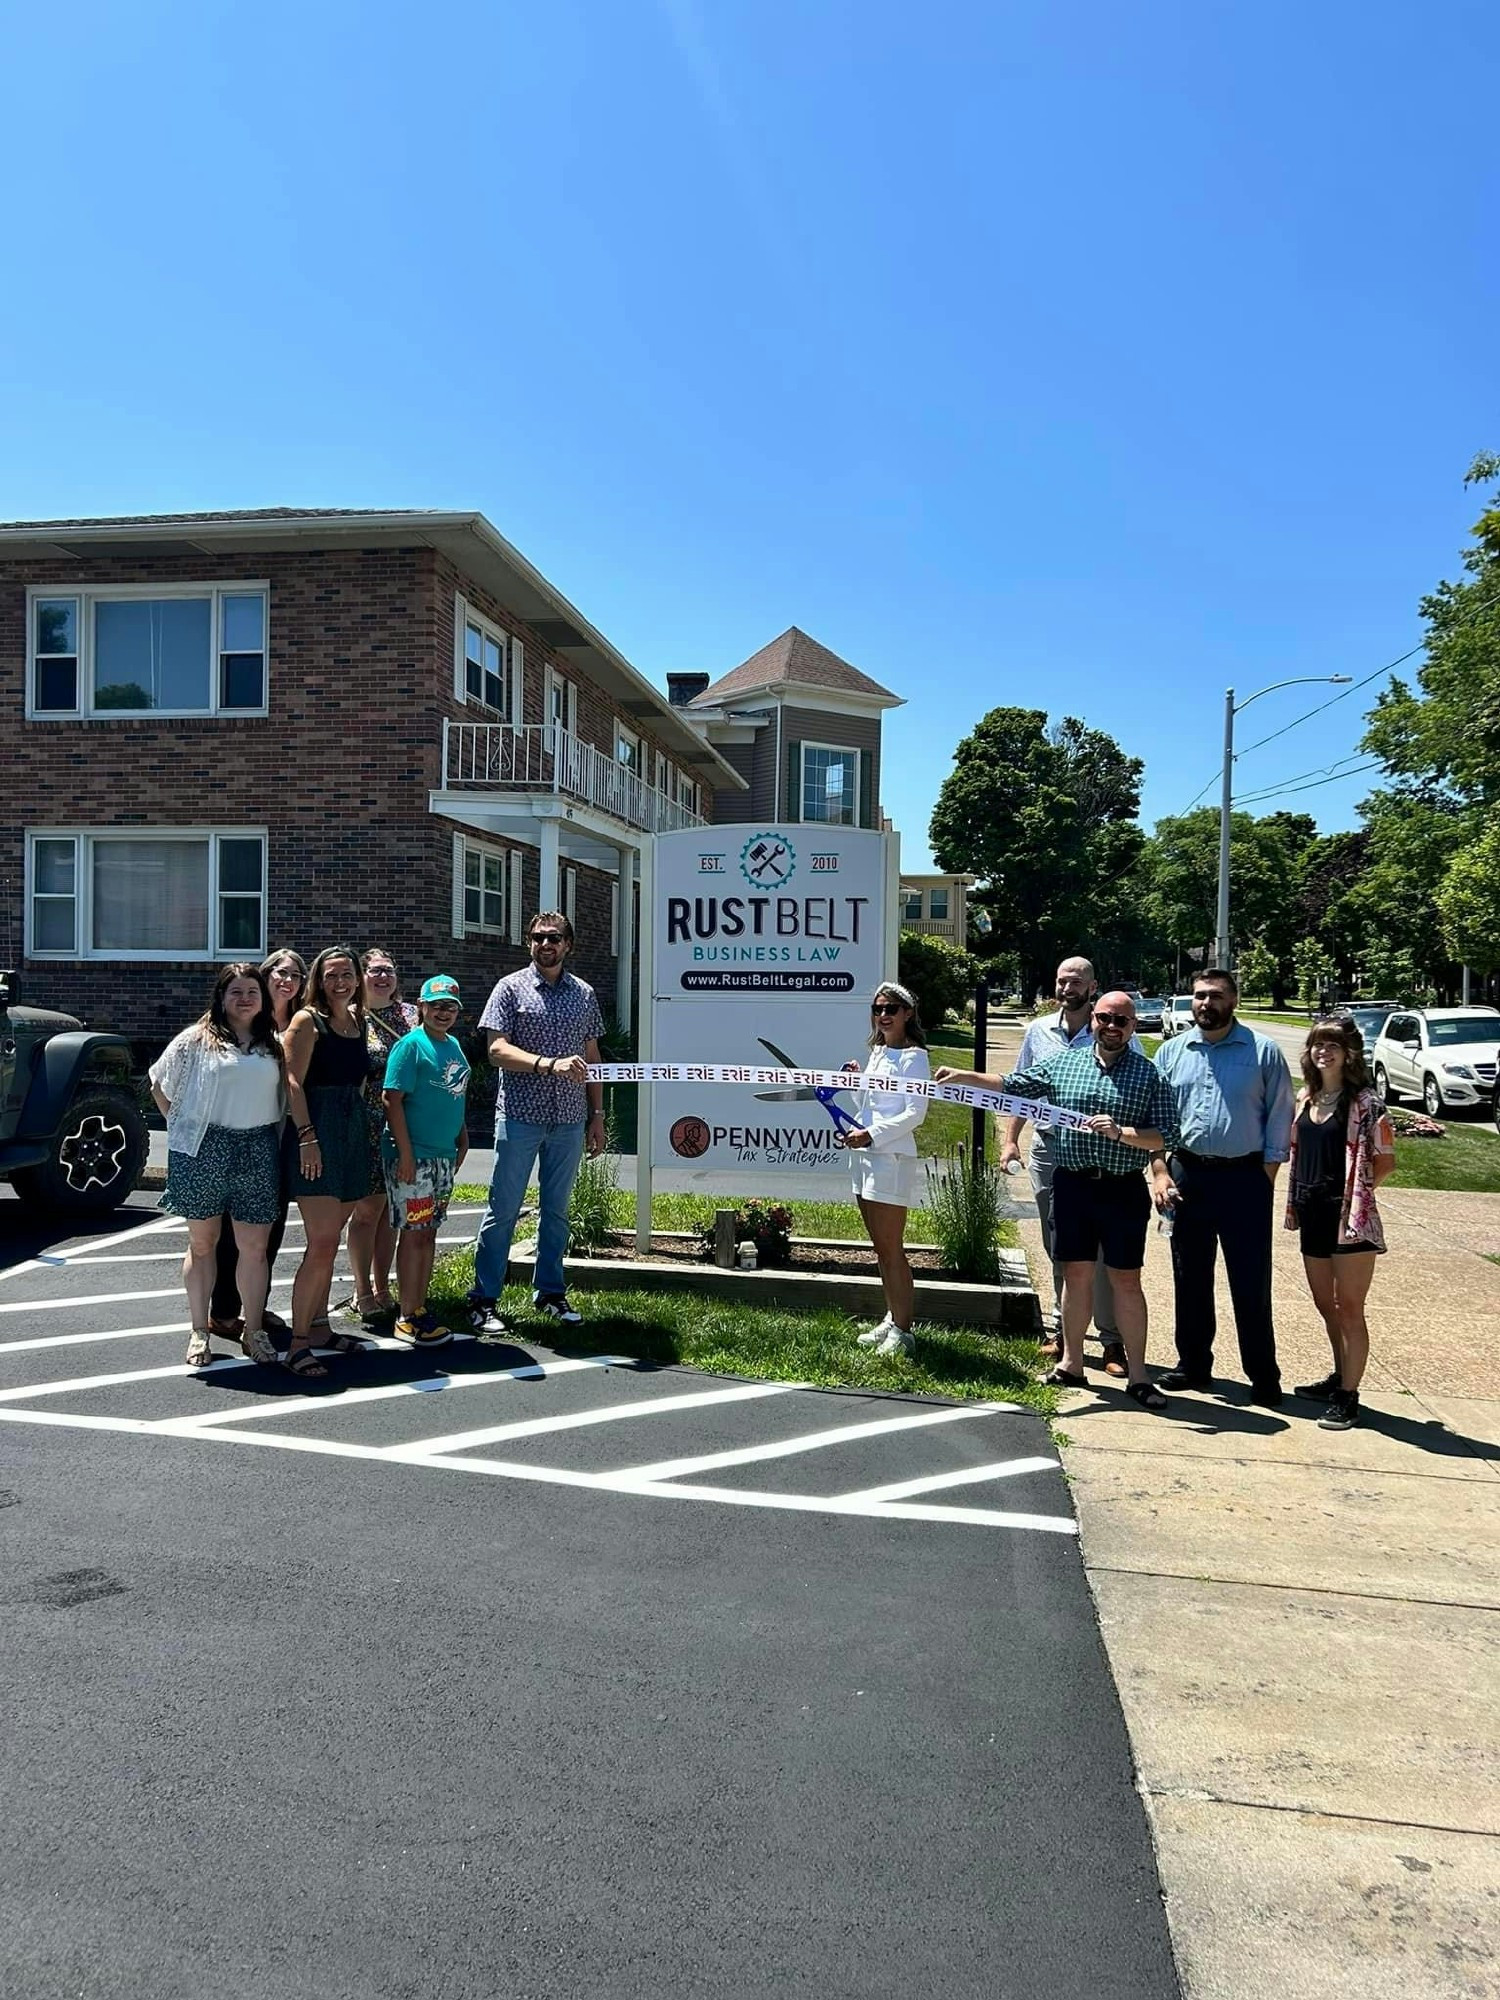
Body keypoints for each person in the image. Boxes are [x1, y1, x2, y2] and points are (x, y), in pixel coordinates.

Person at [937, 992, 1176, 1407]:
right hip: (1073, 1185)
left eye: (1122, 1020)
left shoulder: (1149, 1075)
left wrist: (1121, 1133)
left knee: (1125, 1280)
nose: (1112, 1026)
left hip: (1121, 1189)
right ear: (1094, 1021)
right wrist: (963, 1075)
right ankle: (1072, 1363)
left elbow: (1166, 1136)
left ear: (1133, 1025)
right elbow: (1012, 1086)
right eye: (1105, 1018)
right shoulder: (1066, 1064)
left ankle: (1139, 1376)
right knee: (1075, 1275)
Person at [1151, 967, 1296, 1406]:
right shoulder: (1172, 1052)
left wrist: (1265, 1176)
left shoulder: (1262, 1051)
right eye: (1198, 996)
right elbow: (1154, 1121)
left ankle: (1263, 1374)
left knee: (1250, 1280)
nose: (1205, 1004)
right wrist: (1160, 1171)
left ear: (1233, 1000)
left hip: (1245, 1178)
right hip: (1188, 1175)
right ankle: (1194, 1365)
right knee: (1189, 1276)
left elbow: (1280, 1115)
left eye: (1215, 996)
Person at [999, 957, 1142, 1377]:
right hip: (1049, 1150)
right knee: (1060, 1246)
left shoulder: (1114, 1030)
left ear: (1092, 986)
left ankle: (1112, 1340)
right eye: (1062, 981)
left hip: (1101, 1153)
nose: (1068, 988)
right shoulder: (1038, 1031)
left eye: (1076, 981)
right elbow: (1021, 1088)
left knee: (1103, 1253)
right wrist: (1010, 1140)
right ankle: (1067, 1337)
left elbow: (1134, 1093)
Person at [465, 910, 606, 1335]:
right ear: (529, 943)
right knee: (503, 1209)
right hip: (520, 1116)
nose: (546, 944)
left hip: (568, 1119)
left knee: (556, 1212)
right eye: (538, 937)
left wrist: (597, 1115)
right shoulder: (510, 989)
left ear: (569, 945)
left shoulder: (583, 994)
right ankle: (484, 1299)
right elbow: (496, 1051)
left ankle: (550, 1292)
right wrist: (547, 1065)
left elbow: (593, 1058)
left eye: (554, 938)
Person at [149, 964, 286, 1371]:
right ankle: (199, 1330)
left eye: (252, 992)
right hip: (205, 1149)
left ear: (263, 998)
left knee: (255, 1248)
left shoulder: (272, 1042)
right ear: (221, 998)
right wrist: (181, 1126)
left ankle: (254, 1330)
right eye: (235, 992)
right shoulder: (196, 1040)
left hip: (259, 1147)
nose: (245, 999)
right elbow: (159, 1082)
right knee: (203, 1244)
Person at [1285, 1016, 1395, 1431]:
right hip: (1312, 1214)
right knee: (1323, 1303)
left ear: (1349, 1053)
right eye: (1317, 1044)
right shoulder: (1306, 1098)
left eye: (1332, 1045)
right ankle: (1338, 1375)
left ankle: (1349, 1397)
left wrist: (1360, 1198)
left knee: (1350, 1309)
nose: (1323, 1052)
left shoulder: (1366, 1103)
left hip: (1349, 1222)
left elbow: (1386, 1161)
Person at [282, 945, 380, 1378]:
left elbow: (357, 1080)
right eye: (330, 975)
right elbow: (292, 1083)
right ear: (318, 981)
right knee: (321, 1243)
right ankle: (298, 1344)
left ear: (358, 978)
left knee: (331, 1239)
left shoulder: (358, 1021)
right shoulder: (308, 1022)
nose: (339, 982)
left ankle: (320, 1327)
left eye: (346, 975)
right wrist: (307, 1138)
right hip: (315, 1136)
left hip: (350, 1135)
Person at [207, 947, 305, 1349]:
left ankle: (255, 1305)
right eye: (280, 972)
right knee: (233, 1232)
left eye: (296, 974)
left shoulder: (302, 1021)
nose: (287, 980)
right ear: (265, 977)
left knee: (272, 1226)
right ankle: (224, 1311)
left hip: (282, 1138)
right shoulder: (245, 1023)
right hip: (241, 1137)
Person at [840, 981, 931, 1357]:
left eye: (890, 1009)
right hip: (864, 1157)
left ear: (907, 1013)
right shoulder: (877, 1052)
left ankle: (904, 1331)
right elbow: (867, 1103)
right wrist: (852, 1082)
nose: (883, 1016)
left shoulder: (915, 1058)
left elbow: (915, 1113)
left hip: (891, 1159)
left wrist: (872, 1135)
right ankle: (892, 1318)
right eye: (877, 1009)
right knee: (880, 1248)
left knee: (892, 1249)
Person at [381, 975, 471, 1349]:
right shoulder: (411, 1047)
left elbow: (454, 1096)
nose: (443, 1012)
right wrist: (405, 1154)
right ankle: (406, 1314)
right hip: (414, 1157)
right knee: (414, 1233)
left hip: (442, 1157)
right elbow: (391, 1099)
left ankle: (420, 1306)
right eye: (435, 1005)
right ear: (421, 1006)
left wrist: (462, 1142)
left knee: (429, 1232)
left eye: (450, 1006)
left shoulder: (453, 1047)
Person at [346, 947, 418, 1327]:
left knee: (392, 1212)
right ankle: (360, 1292)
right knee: (367, 1210)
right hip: (367, 1122)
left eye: (388, 970)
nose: (381, 977)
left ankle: (382, 1286)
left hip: (404, 1123)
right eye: (374, 971)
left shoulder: (410, 1016)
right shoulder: (352, 1018)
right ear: (361, 977)